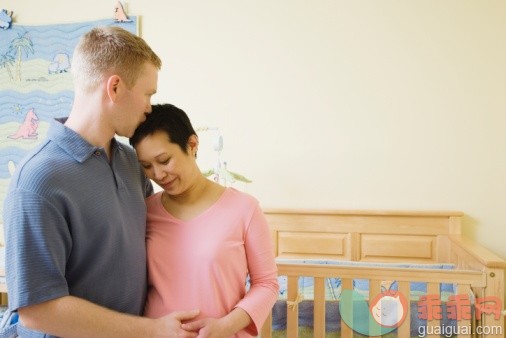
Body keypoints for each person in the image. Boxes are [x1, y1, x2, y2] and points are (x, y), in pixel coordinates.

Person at [3, 26, 200, 338]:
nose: (149, 108)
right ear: (116, 88)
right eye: (148, 94)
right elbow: (37, 310)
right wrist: (151, 330)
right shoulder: (38, 181)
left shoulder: (131, 163)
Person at [129, 103, 280, 338]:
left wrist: (225, 326)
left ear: (192, 145)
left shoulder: (244, 209)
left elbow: (267, 284)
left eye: (165, 160)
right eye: (147, 166)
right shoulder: (145, 212)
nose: (158, 175)